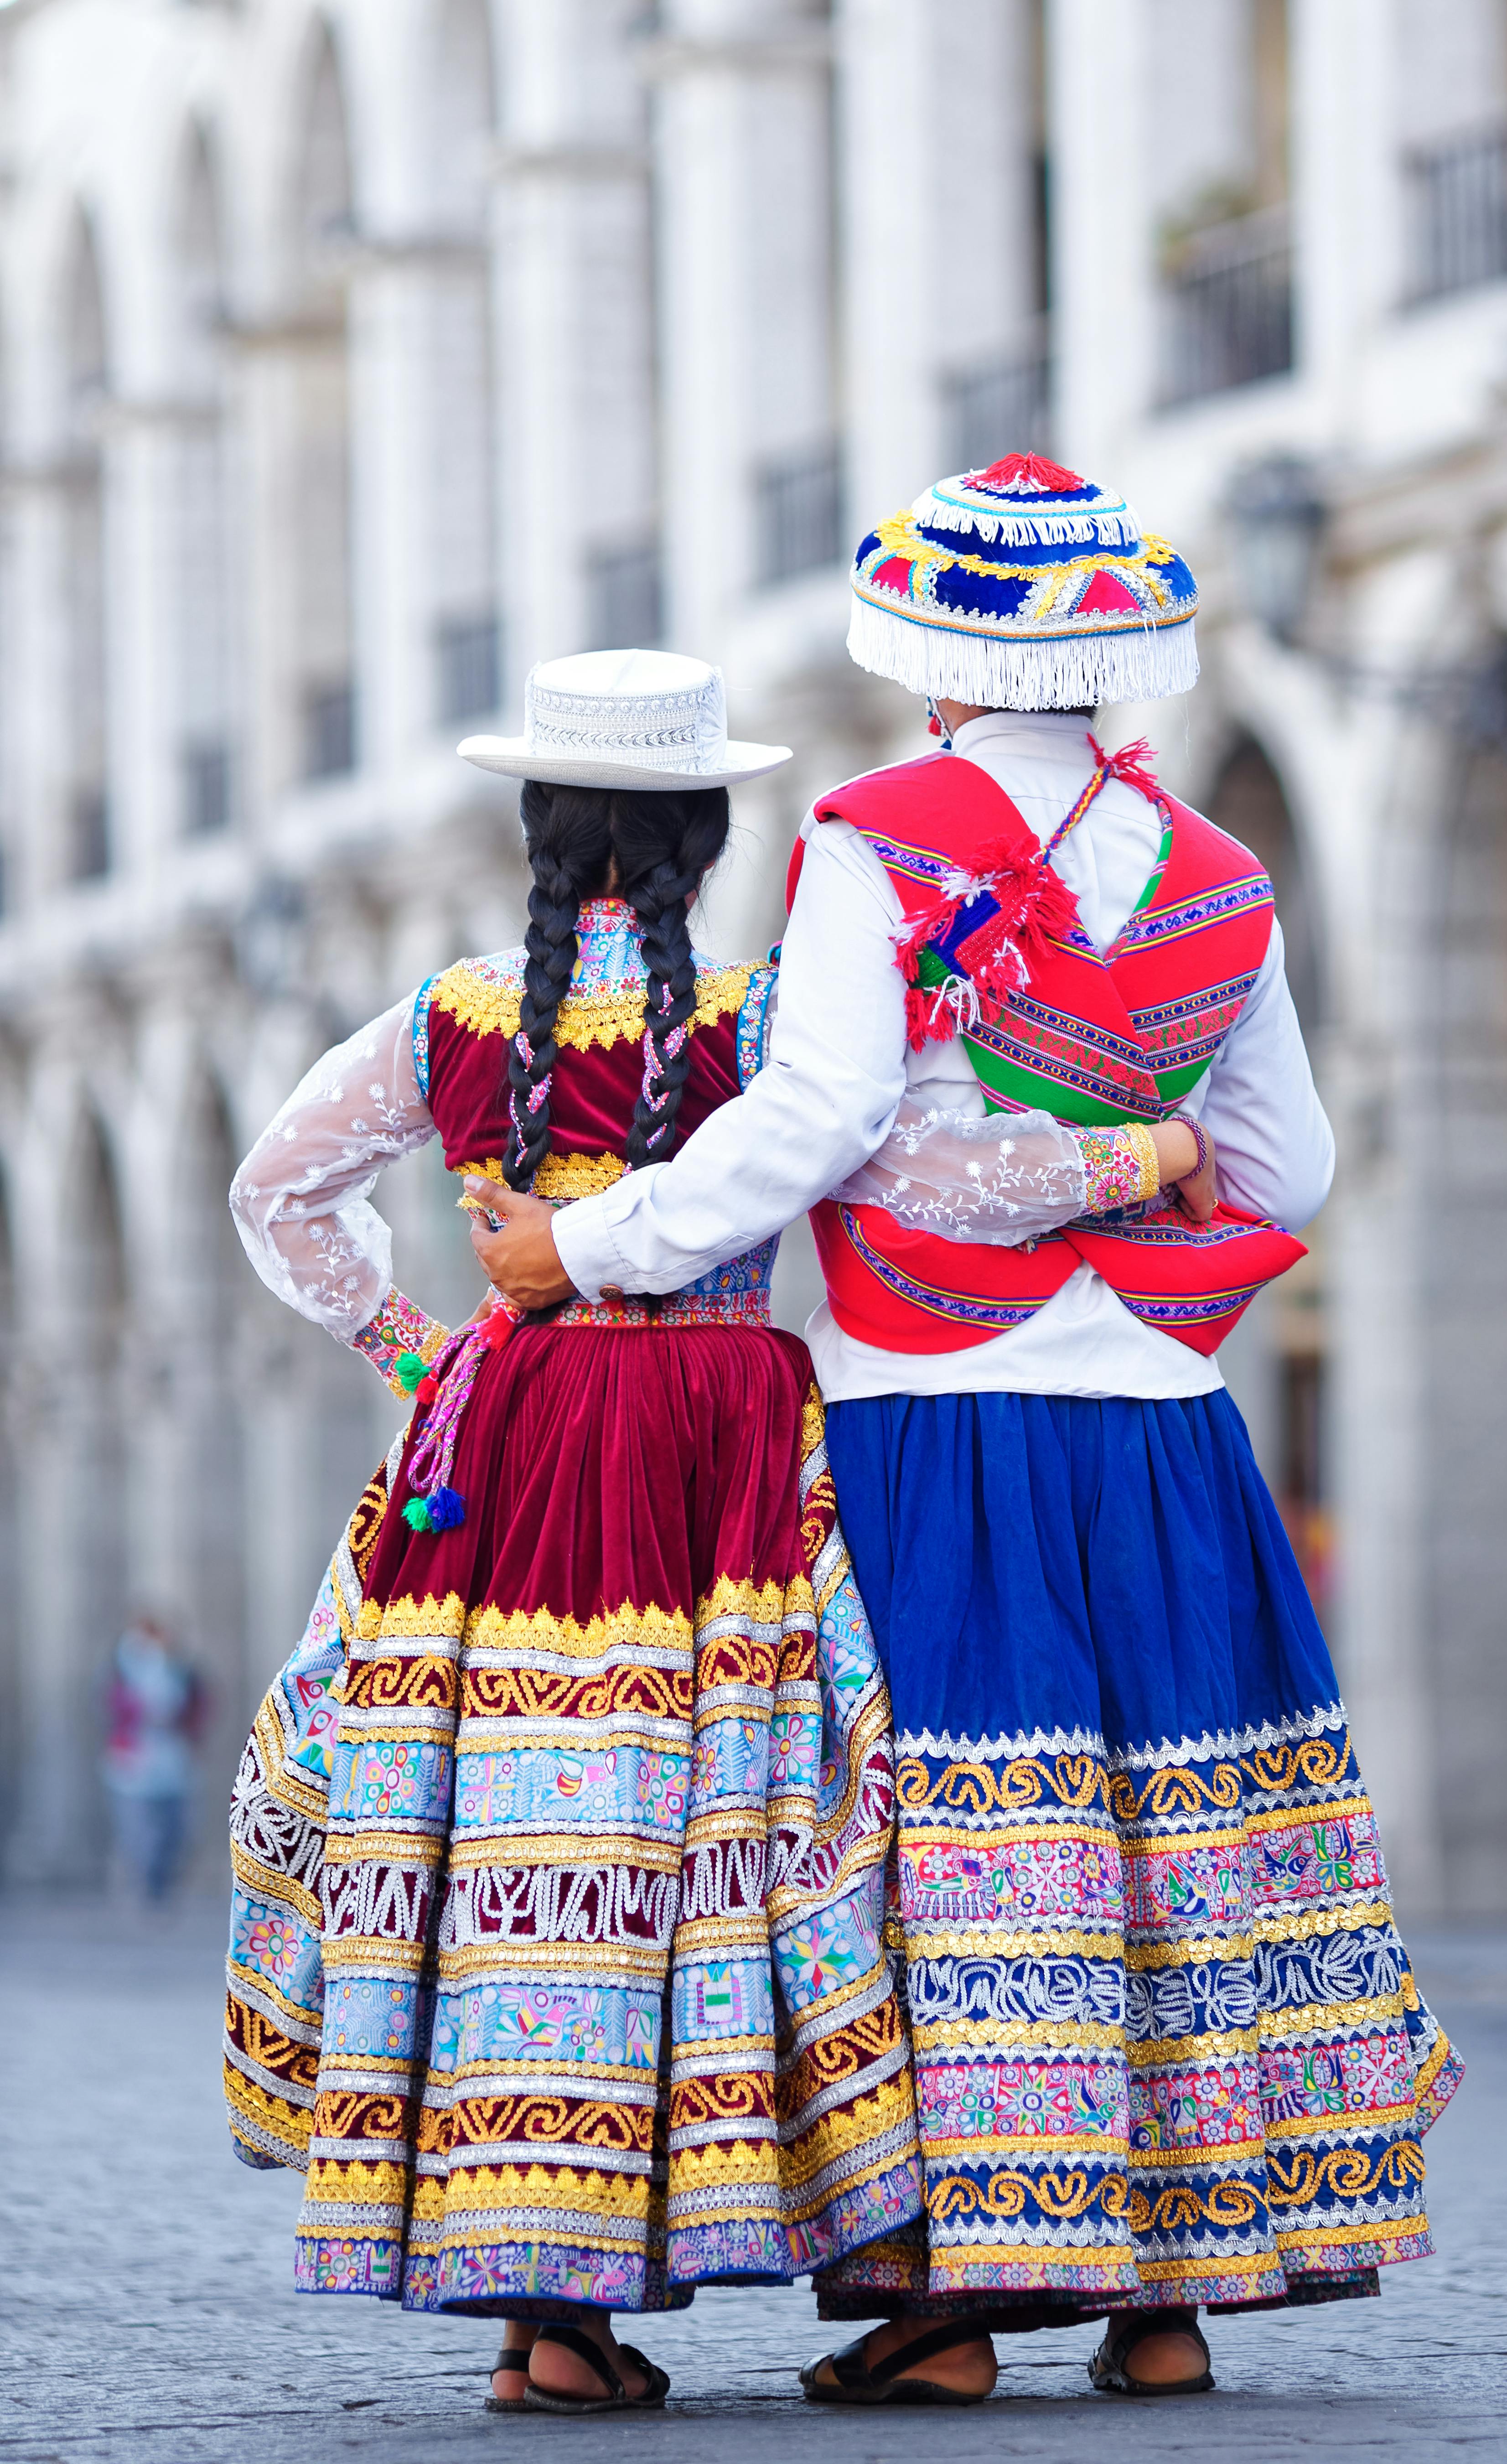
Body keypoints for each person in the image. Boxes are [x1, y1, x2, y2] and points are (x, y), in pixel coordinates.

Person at [473, 459, 1463, 2408]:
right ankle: (1166, 2294)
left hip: (931, 1409)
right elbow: (1297, 1159)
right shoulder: (1216, 869)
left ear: (931, 666)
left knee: (957, 1851)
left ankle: (952, 2294)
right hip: (1163, 1428)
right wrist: (1153, 1223)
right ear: (1114, 666)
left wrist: (580, 1240)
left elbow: (821, 1111)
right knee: (1167, 1829)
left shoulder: (876, 833)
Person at [222, 650, 937, 2414]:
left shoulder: (452, 1013)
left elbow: (277, 1190)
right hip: (724, 1434)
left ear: (541, 829)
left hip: (515, 1438)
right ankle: (848, 2232)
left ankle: (546, 2303)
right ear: (706, 832)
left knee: (511, 1821)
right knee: (752, 1819)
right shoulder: (768, 1014)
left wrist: (428, 1345)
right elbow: (902, 1178)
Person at [105, 1613, 205, 1905]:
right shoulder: (121, 1671)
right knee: (141, 1831)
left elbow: (198, 1705)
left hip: (173, 1763)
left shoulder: (180, 1669)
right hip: (133, 1765)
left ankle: (162, 1887)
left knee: (173, 1831)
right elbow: (113, 1710)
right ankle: (145, 1889)